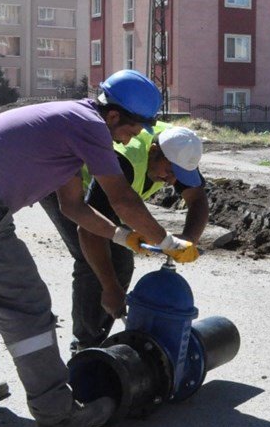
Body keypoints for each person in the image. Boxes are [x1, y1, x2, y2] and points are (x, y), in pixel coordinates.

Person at [0, 70, 195, 427]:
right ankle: (56, 413)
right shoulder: (89, 126)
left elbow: (73, 207)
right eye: (134, 129)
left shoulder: (68, 127)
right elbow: (122, 199)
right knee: (27, 305)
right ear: (114, 116)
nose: (133, 138)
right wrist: (167, 241)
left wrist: (122, 236)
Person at [40, 123, 208, 350]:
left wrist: (188, 240)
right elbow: (89, 231)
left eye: (177, 175)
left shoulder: (180, 148)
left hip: (110, 192)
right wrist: (110, 288)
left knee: (120, 264)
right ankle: (85, 347)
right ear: (153, 151)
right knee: (95, 265)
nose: (170, 180)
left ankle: (98, 338)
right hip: (64, 184)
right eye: (168, 172)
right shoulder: (126, 159)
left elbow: (197, 199)